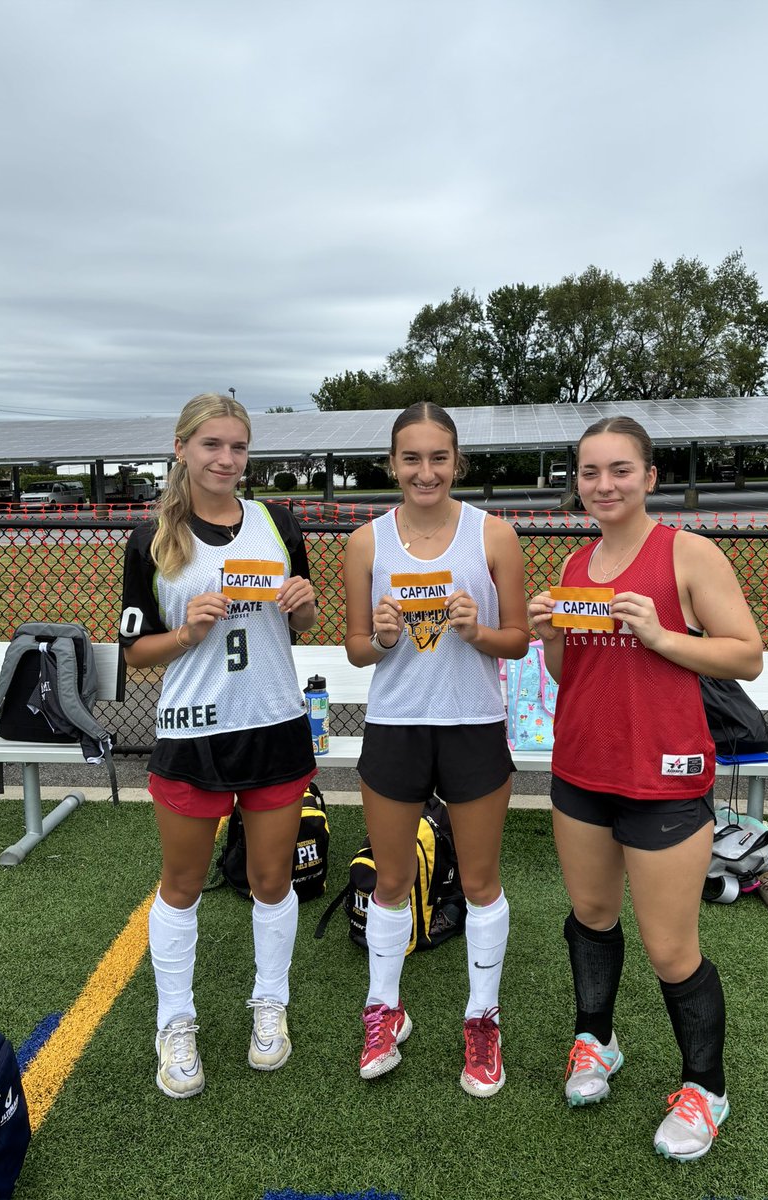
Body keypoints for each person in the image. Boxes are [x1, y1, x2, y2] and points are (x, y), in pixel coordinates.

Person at [528, 416, 763, 1161]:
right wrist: (553, 634)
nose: (604, 485)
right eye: (590, 472)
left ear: (650, 477)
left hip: (664, 777)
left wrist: (663, 636)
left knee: (671, 948)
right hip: (581, 772)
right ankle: (596, 1041)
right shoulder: (573, 563)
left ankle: (705, 1087)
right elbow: (572, 676)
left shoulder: (687, 554)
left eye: (620, 470)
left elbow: (747, 657)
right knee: (592, 918)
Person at [119, 392, 318, 1099]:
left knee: (271, 881)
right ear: (182, 449)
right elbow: (134, 653)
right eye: (212, 446)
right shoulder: (150, 538)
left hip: (272, 722)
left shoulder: (278, 522)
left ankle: (271, 1004)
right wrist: (186, 634)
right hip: (193, 731)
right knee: (181, 887)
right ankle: (176, 1023)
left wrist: (304, 603)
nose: (226, 459)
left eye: (237, 447)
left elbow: (303, 619)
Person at [344, 401, 529, 1096]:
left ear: (458, 463)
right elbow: (356, 647)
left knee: (481, 883)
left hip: (474, 723)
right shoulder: (367, 542)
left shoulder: (494, 534)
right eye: (412, 458)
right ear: (391, 464)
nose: (426, 471)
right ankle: (385, 1010)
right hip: (396, 724)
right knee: (392, 881)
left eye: (439, 457)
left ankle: (483, 1021)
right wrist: (385, 639)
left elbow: (518, 640)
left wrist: (479, 631)